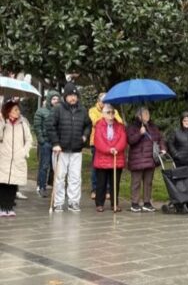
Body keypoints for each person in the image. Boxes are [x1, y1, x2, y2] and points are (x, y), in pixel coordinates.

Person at [49, 82, 92, 212]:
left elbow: (88, 125)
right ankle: (58, 202)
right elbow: (51, 126)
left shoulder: (83, 110)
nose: (73, 98)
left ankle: (73, 202)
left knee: (75, 177)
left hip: (76, 149)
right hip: (60, 150)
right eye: (70, 95)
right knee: (60, 177)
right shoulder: (58, 109)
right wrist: (55, 143)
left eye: (75, 95)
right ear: (65, 96)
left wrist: (84, 136)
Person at [126, 107, 164, 212]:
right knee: (136, 182)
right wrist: (140, 133)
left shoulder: (153, 126)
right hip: (137, 159)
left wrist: (163, 149)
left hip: (150, 158)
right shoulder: (132, 127)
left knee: (148, 182)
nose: (148, 116)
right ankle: (135, 203)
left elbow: (160, 138)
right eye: (145, 114)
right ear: (139, 116)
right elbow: (130, 140)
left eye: (148, 113)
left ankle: (147, 202)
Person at [0, 101, 32, 217]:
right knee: (3, 183)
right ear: (8, 111)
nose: (18, 112)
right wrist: (2, 122)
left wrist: (24, 152)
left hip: (18, 158)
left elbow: (29, 139)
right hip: (4, 158)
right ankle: (2, 207)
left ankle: (9, 207)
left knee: (13, 184)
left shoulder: (23, 124)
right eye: (15, 109)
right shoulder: (3, 122)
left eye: (18, 109)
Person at [92, 104, 126, 213]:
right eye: (108, 113)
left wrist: (116, 148)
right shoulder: (98, 125)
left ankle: (114, 203)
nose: (111, 115)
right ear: (103, 114)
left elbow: (123, 139)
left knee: (115, 183)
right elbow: (98, 141)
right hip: (102, 159)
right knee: (101, 183)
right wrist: (108, 149)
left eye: (112, 112)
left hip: (117, 157)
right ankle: (99, 203)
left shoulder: (120, 126)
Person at [88, 92, 122, 201]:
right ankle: (94, 189)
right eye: (103, 100)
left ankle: (108, 190)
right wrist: (105, 115)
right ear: (98, 101)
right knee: (96, 167)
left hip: (112, 144)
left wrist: (110, 114)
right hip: (97, 143)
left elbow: (119, 122)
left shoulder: (113, 110)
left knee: (110, 168)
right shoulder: (93, 110)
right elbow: (95, 122)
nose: (105, 103)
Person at [33, 91, 60, 197]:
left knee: (56, 167)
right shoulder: (41, 112)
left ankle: (55, 186)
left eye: (57, 99)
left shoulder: (60, 112)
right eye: (53, 99)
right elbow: (37, 127)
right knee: (44, 166)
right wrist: (41, 140)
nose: (56, 101)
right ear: (49, 100)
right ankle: (41, 186)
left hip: (56, 143)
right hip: (46, 143)